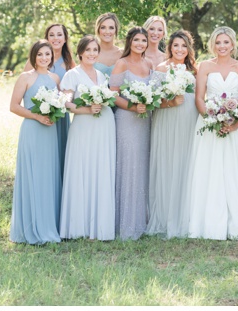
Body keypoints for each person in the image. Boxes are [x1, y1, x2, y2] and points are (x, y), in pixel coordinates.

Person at [184, 26, 238, 240]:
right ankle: (209, 224)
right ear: (212, 44)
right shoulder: (205, 66)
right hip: (209, 126)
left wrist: (234, 123)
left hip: (237, 128)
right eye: (218, 42)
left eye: (226, 42)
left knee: (237, 171)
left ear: (232, 44)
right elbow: (199, 98)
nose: (222, 46)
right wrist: (213, 120)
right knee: (211, 172)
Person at [59, 35, 116, 240]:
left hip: (104, 126)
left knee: (100, 169)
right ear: (80, 52)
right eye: (88, 50)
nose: (92, 53)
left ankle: (100, 225)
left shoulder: (101, 76)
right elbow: (65, 102)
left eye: (95, 50)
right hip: (83, 126)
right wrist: (85, 109)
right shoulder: (72, 75)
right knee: (82, 169)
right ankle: (79, 225)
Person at [146, 30, 199, 238]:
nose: (180, 49)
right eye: (176, 45)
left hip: (189, 120)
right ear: (170, 47)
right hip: (167, 120)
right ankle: (167, 216)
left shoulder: (194, 69)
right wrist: (170, 102)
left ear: (189, 48)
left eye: (184, 46)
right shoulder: (161, 68)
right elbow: (153, 101)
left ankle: (185, 216)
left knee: (186, 164)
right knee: (169, 163)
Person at [9, 40, 62, 244]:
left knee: (48, 175)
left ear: (51, 57)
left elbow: (58, 104)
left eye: (47, 54)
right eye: (40, 54)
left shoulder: (55, 78)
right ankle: (30, 227)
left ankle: (49, 225)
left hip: (50, 132)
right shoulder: (25, 77)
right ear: (34, 56)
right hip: (33, 130)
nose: (44, 58)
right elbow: (14, 106)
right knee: (33, 174)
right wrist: (37, 116)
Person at [110, 26, 153, 241]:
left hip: (145, 122)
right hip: (126, 120)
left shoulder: (149, 64)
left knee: (142, 166)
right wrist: (132, 106)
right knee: (127, 167)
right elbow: (112, 94)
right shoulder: (122, 63)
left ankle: (141, 220)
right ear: (130, 41)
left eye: (143, 40)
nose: (140, 44)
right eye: (136, 40)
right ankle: (124, 224)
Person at [22, 23, 74, 182]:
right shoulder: (36, 59)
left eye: (60, 35)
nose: (56, 38)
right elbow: (26, 87)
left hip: (60, 116)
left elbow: (72, 90)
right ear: (47, 37)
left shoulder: (69, 62)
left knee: (59, 155)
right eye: (52, 34)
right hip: (39, 115)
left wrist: (64, 101)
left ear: (65, 39)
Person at [93, 12, 123, 77]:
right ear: (98, 30)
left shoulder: (123, 53)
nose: (107, 32)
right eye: (103, 27)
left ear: (116, 30)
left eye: (111, 28)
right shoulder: (91, 52)